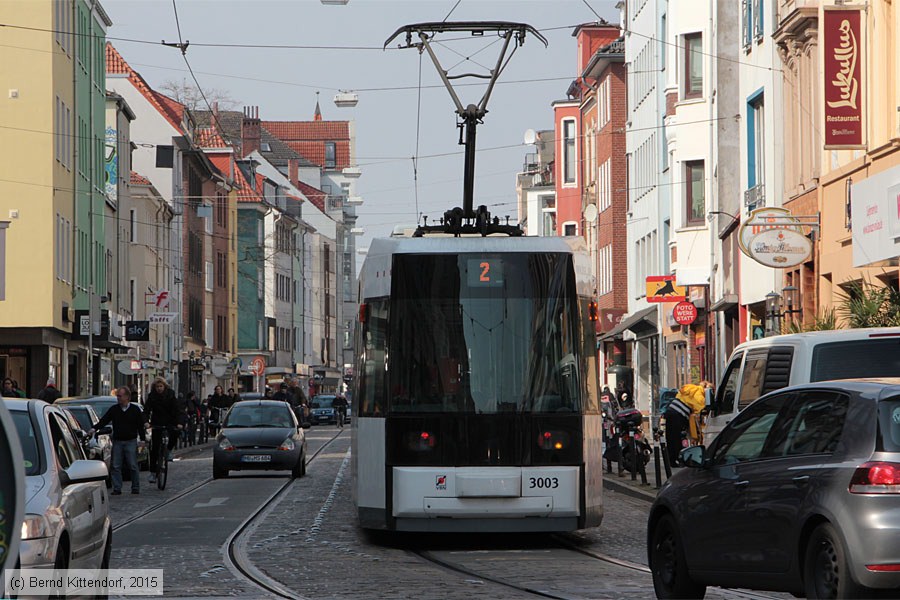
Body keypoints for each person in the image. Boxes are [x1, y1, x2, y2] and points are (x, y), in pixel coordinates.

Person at [90, 386, 146, 495]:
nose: (118, 398)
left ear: (127, 397)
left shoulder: (135, 409)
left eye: (120, 396)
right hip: (118, 441)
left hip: (130, 440)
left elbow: (140, 425)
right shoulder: (114, 409)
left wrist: (143, 439)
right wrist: (94, 428)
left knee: (132, 465)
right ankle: (117, 488)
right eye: (117, 396)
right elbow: (104, 420)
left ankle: (135, 487)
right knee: (116, 465)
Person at [664, 381, 709, 467]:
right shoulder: (699, 394)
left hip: (670, 410)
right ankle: (678, 459)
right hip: (679, 415)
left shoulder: (690, 388)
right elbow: (701, 409)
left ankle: (671, 460)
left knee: (670, 437)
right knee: (677, 438)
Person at [143, 377, 180, 482]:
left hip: (170, 421)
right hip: (157, 422)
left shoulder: (171, 395)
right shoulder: (152, 396)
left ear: (164, 386)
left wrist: (179, 423)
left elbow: (177, 409)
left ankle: (168, 450)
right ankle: (153, 472)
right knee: (154, 448)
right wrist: (146, 422)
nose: (159, 388)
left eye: (161, 386)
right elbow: (146, 410)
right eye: (157, 387)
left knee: (175, 434)